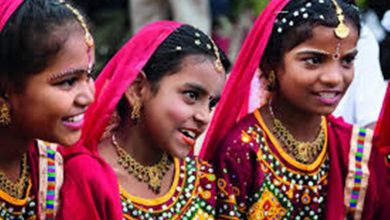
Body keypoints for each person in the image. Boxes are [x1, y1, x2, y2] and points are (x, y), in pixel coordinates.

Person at [200, 0, 390, 219]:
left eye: (347, 60)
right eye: (314, 60)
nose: (334, 78)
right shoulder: (242, 151)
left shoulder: (356, 150)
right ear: (271, 64)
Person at [58, 20, 232, 219]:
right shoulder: (88, 177)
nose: (204, 116)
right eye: (191, 95)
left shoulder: (202, 179)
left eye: (211, 103)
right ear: (137, 89)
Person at [0, 0, 95, 219]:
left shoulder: (53, 166)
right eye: (68, 82)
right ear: (6, 89)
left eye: (88, 76)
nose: (89, 97)